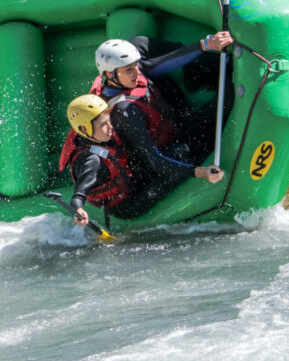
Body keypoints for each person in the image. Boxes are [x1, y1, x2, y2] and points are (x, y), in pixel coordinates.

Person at [60, 94, 224, 226]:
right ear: (84, 129)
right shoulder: (91, 160)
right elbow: (78, 196)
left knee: (178, 152)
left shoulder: (99, 136)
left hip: (133, 179)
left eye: (108, 119)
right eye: (104, 124)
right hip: (128, 204)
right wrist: (79, 210)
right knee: (178, 166)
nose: (111, 126)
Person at [91, 32, 233, 179]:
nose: (137, 72)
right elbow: (154, 162)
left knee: (138, 43)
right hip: (177, 141)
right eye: (129, 69)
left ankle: (207, 70)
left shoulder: (127, 76)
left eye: (135, 66)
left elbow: (157, 65)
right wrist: (199, 172)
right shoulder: (123, 112)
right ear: (109, 74)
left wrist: (205, 45)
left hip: (172, 111)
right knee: (230, 95)